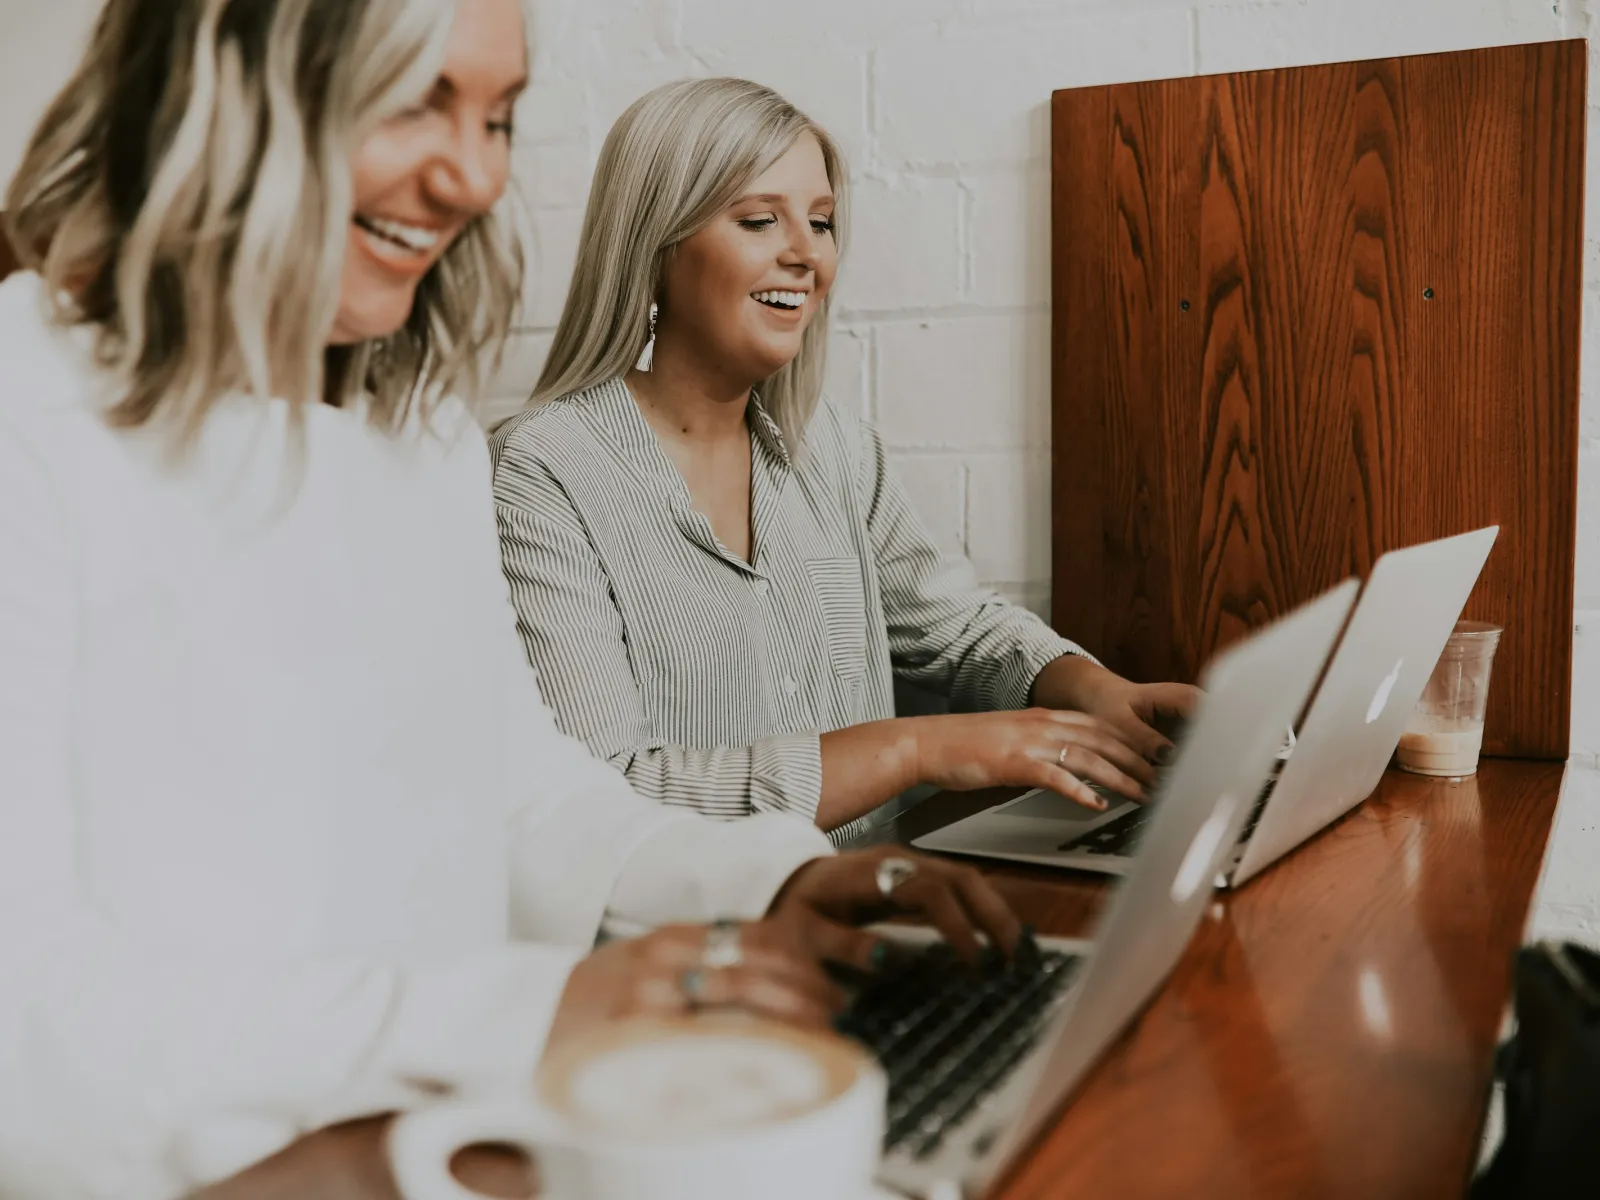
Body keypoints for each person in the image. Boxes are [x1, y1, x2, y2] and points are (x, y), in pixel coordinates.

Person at [0, 4, 1020, 1195]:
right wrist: (527, 1013)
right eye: (412, 101)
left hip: (456, 1149)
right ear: (227, 78)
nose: (473, 173)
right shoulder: (32, 416)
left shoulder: (416, 425)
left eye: (498, 115)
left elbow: (522, 792)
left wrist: (767, 878)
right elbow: (32, 1026)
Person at [489, 77, 1202, 840]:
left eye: (822, 223)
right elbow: (607, 797)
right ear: (654, 246)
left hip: (880, 911)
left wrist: (1093, 689)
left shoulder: (832, 449)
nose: (806, 254)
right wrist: (913, 749)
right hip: (700, 944)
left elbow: (956, 630)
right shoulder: (541, 472)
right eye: (760, 219)